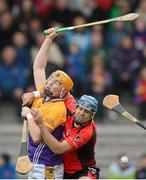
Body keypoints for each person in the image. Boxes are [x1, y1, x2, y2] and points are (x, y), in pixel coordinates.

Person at [21, 28, 73, 179]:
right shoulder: (42, 96)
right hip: (35, 163)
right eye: (50, 78)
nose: (49, 83)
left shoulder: (58, 109)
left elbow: (37, 137)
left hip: (47, 168)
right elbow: (38, 67)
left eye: (56, 83)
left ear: (63, 91)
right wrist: (49, 40)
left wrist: (28, 114)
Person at [24, 93, 100, 179]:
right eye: (81, 108)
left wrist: (41, 125)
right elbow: (60, 90)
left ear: (92, 115)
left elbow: (58, 149)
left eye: (87, 112)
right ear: (76, 107)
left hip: (82, 170)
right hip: (63, 167)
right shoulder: (71, 106)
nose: (81, 113)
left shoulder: (87, 132)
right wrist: (34, 94)